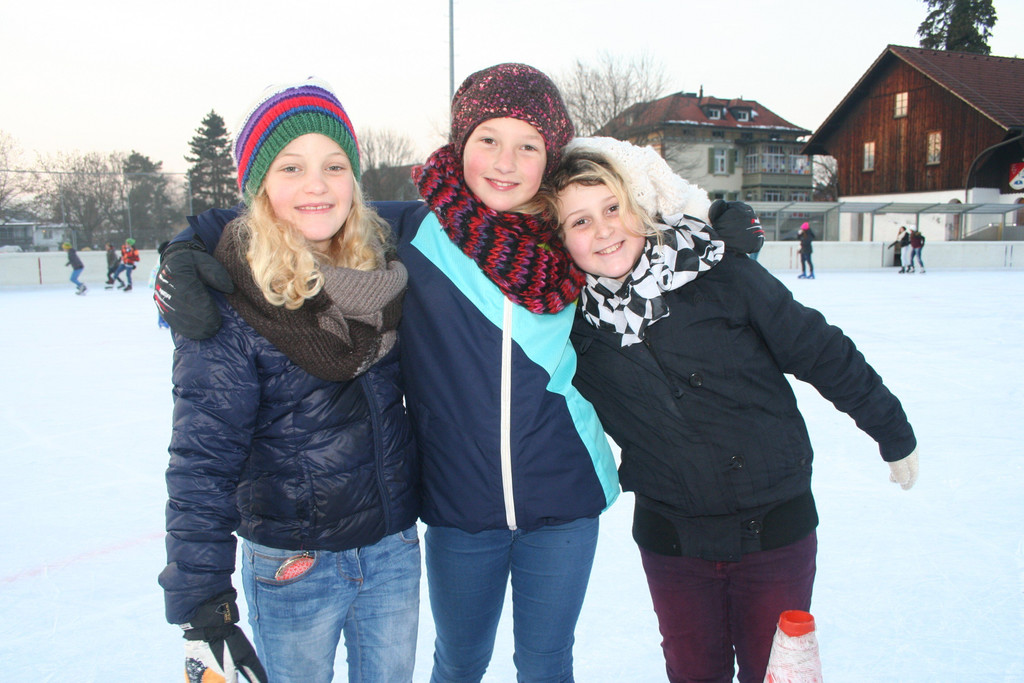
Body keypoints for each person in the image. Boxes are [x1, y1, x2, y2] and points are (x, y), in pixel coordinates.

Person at [154, 64, 752, 683]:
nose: (505, 162)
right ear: (460, 144)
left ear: (550, 158)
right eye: (488, 139)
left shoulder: (576, 234)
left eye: (528, 145)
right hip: (458, 501)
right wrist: (184, 247)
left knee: (548, 662)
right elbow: (282, 211)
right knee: (460, 662)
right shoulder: (414, 231)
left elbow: (647, 212)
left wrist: (715, 217)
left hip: (565, 492)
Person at [541, 140, 920, 683]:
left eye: (612, 207)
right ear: (560, 240)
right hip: (675, 541)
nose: (604, 230)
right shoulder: (570, 326)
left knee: (776, 672)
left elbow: (818, 349)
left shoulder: (719, 272)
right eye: (580, 221)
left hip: (775, 525)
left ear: (640, 206)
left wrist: (891, 428)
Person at [158, 79, 421, 683]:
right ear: (260, 187)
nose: (317, 185)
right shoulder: (231, 297)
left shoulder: (383, 273)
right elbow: (202, 456)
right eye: (291, 167)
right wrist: (201, 602)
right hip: (294, 564)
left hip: (392, 551)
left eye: (334, 165)